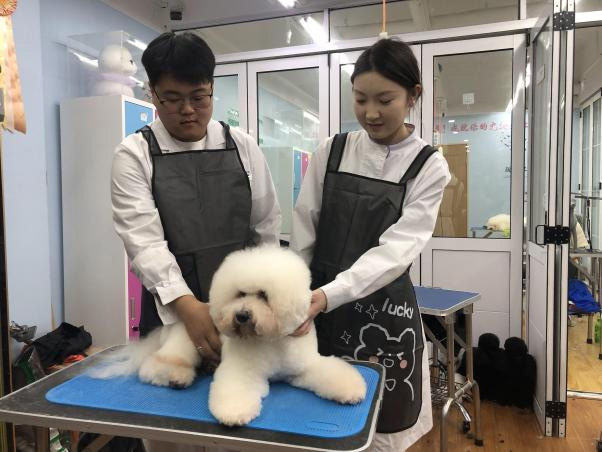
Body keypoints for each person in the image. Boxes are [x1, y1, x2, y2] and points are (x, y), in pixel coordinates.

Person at [111, 32, 281, 450]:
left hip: (242, 318)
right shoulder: (135, 154)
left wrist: (267, 304)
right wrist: (188, 307)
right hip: (172, 318)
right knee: (172, 434)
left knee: (242, 426)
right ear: (152, 94)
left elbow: (266, 229)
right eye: (172, 99)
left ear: (212, 89)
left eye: (199, 97)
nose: (187, 110)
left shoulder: (242, 147)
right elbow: (145, 243)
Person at [290, 37, 451, 452]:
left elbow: (397, 251)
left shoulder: (428, 165)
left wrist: (328, 295)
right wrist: (294, 293)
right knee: (310, 423)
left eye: (385, 100)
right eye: (360, 99)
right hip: (314, 308)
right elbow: (305, 227)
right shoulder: (333, 151)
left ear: (413, 95)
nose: (371, 112)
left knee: (378, 433)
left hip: (383, 313)